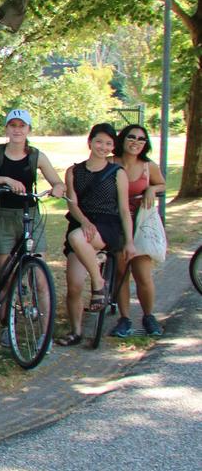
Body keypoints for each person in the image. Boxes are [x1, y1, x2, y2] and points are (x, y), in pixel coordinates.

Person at [0, 109, 65, 346]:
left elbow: (57, 182)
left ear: (28, 130)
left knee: (39, 276)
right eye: (12, 125)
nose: (16, 129)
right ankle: (8, 326)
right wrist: (5, 180)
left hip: (29, 216)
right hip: (1, 216)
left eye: (21, 126)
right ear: (6, 128)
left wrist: (57, 188)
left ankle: (46, 334)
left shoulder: (36, 156)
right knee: (5, 277)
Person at [56, 123, 136, 347]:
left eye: (109, 143)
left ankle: (99, 282)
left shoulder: (117, 173)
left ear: (113, 147)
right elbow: (72, 204)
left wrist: (129, 241)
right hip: (82, 222)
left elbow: (123, 209)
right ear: (90, 142)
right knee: (74, 286)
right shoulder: (74, 171)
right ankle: (76, 331)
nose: (103, 147)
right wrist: (84, 221)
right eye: (99, 141)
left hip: (107, 226)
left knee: (77, 237)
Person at [109, 123, 167, 338]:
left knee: (143, 274)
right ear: (122, 139)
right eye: (131, 137)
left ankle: (149, 316)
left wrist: (152, 188)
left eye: (141, 139)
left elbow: (162, 184)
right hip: (116, 224)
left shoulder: (147, 166)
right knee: (121, 273)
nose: (136, 142)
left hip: (140, 224)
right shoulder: (111, 163)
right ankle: (124, 319)